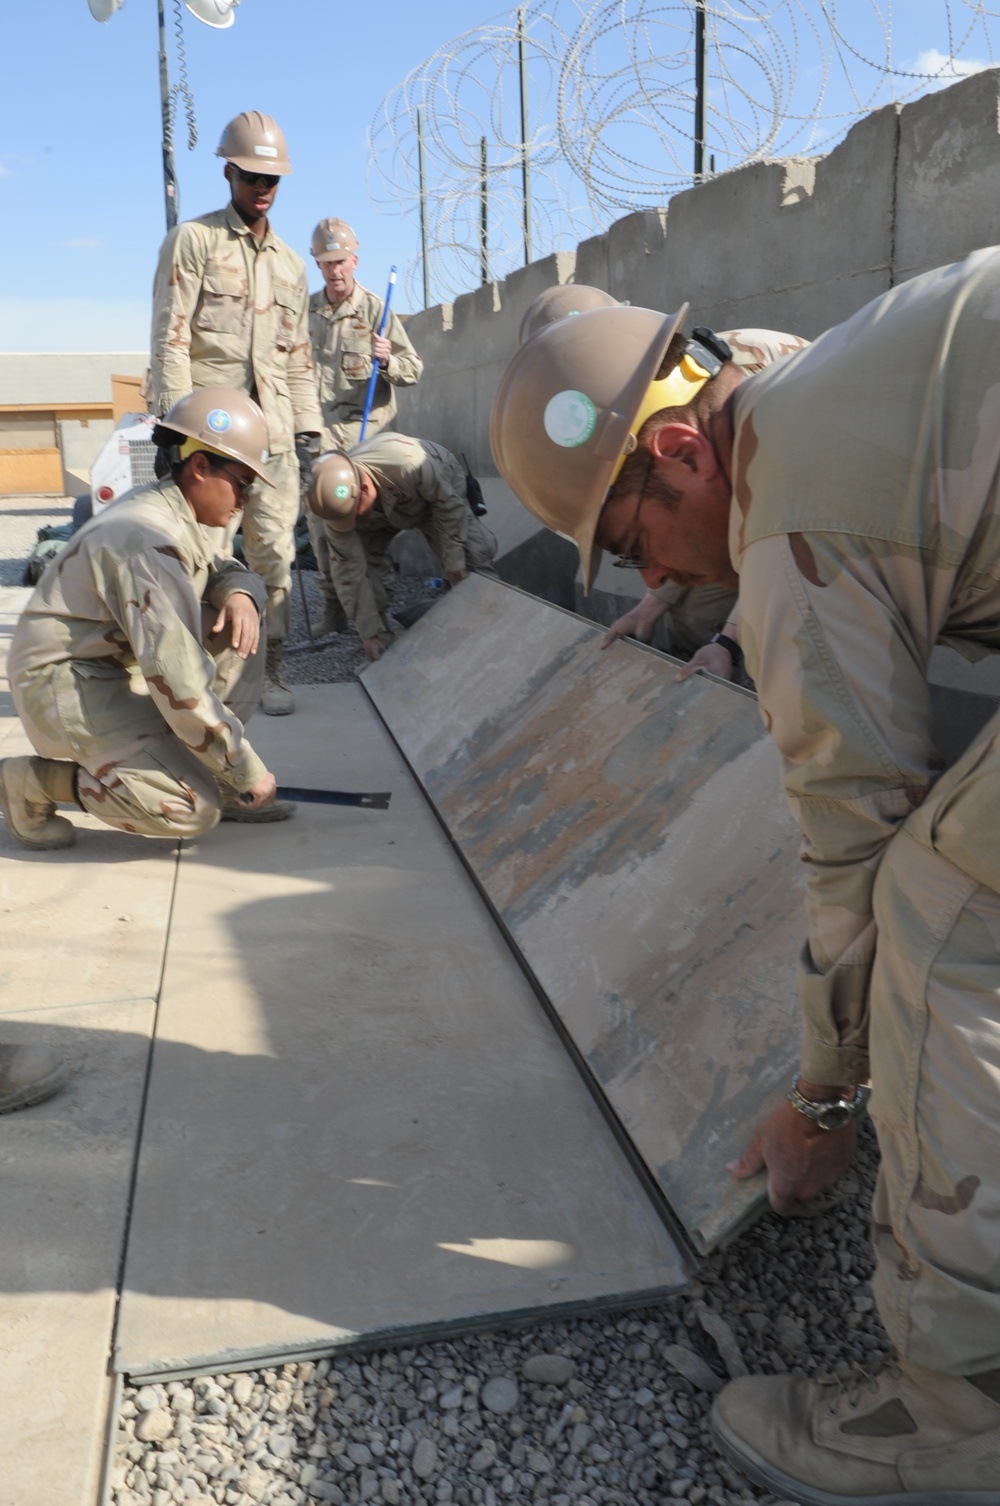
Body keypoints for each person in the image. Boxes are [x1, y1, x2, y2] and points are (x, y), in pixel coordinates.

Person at [490, 258, 1000, 1502]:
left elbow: (851, 845)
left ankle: (952, 1425)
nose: (657, 582)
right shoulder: (806, 377)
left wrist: (828, 1103)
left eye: (635, 542)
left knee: (937, 902)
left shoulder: (791, 518)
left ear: (680, 450)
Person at [1, 387, 293, 853]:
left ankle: (210, 774)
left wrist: (240, 592)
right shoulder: (148, 539)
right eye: (242, 481)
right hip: (61, 682)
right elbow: (179, 681)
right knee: (188, 808)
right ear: (200, 467)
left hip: (104, 665)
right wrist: (245, 769)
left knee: (234, 622)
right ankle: (34, 782)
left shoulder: (170, 511)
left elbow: (217, 567)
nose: (244, 498)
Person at [149, 111, 323, 716]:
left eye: (272, 179)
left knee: (275, 557)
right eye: (251, 176)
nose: (262, 188)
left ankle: (270, 670)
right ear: (228, 172)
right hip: (212, 440)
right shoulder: (194, 242)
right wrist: (174, 428)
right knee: (202, 558)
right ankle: (197, 679)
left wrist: (309, 430)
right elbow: (170, 339)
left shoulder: (292, 266)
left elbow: (298, 357)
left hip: (271, 438)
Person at [599, 328, 809, 680]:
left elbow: (788, 552)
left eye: (636, 547)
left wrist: (727, 641)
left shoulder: (752, 399)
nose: (651, 578)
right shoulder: (678, 380)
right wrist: (651, 607)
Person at [305, 218, 424, 637]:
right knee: (323, 532)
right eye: (326, 262)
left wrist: (388, 358)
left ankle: (377, 616)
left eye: (341, 261)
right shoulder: (307, 314)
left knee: (368, 532)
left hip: (366, 442)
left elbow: (413, 371)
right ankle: (334, 610)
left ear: (354, 260)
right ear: (317, 265)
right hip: (321, 439)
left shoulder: (377, 311)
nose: (335, 270)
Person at [307, 433, 498, 661]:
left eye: (353, 514)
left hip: (433, 494)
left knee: (471, 554)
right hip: (381, 511)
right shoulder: (338, 505)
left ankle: (491, 619)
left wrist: (454, 562)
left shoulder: (410, 464)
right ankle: (382, 638)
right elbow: (348, 570)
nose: (351, 522)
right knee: (365, 569)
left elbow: (449, 508)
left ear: (365, 490)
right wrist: (369, 632)